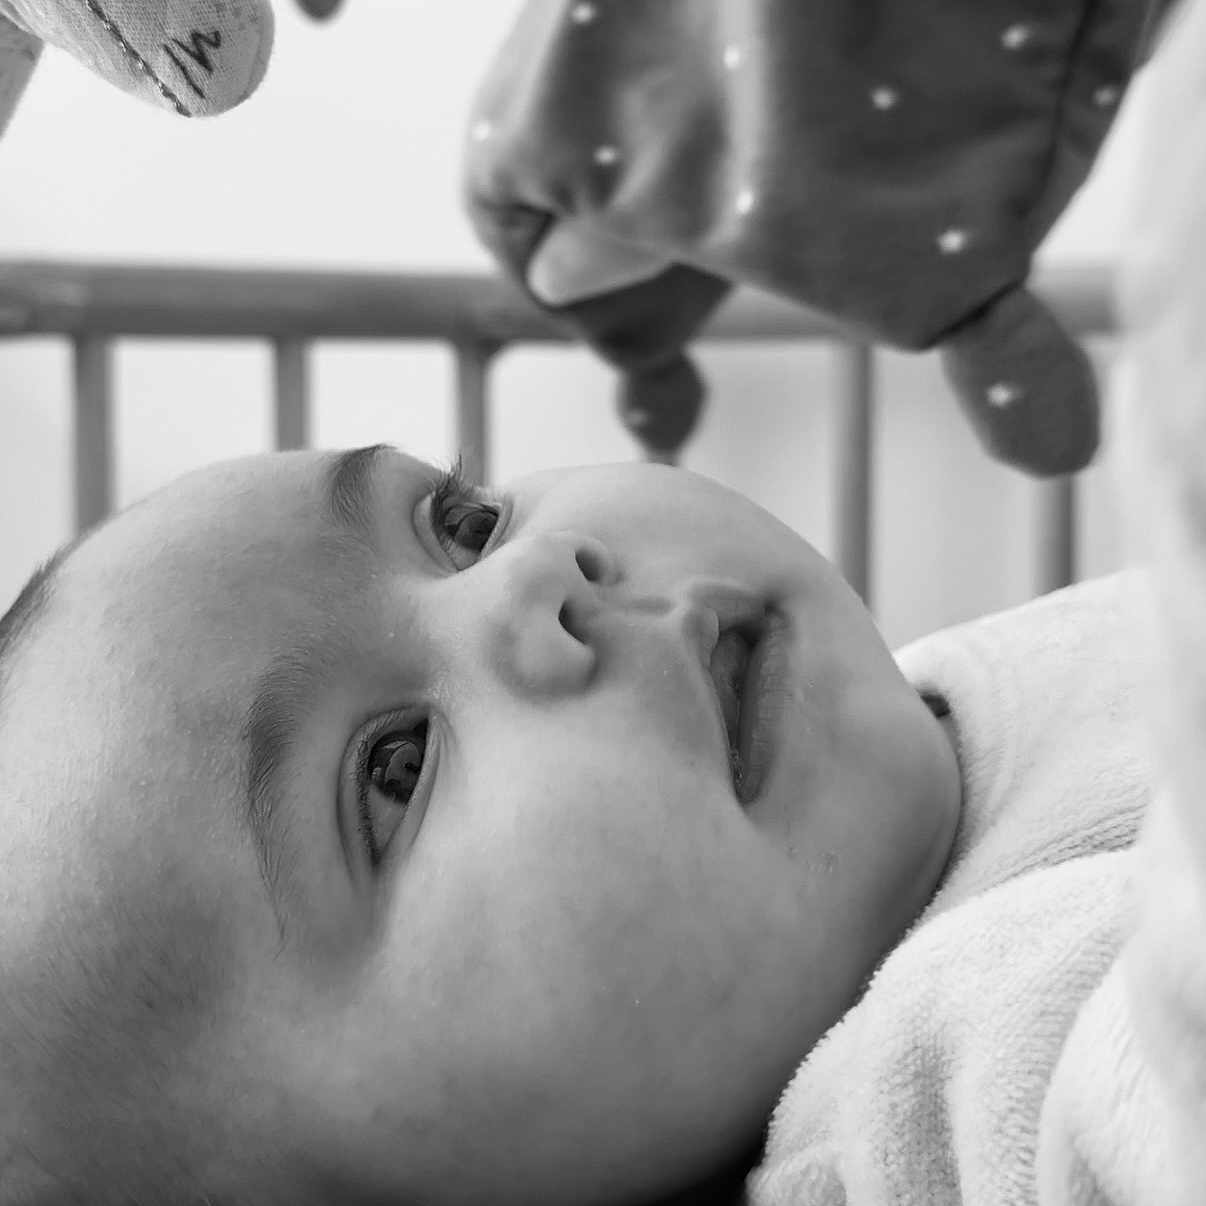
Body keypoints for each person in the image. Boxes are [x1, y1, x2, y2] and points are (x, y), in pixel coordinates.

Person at [1, 425, 1173, 1206]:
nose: (535, 573)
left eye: (460, 524)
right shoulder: (951, 1106)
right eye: (393, 772)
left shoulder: (968, 695)